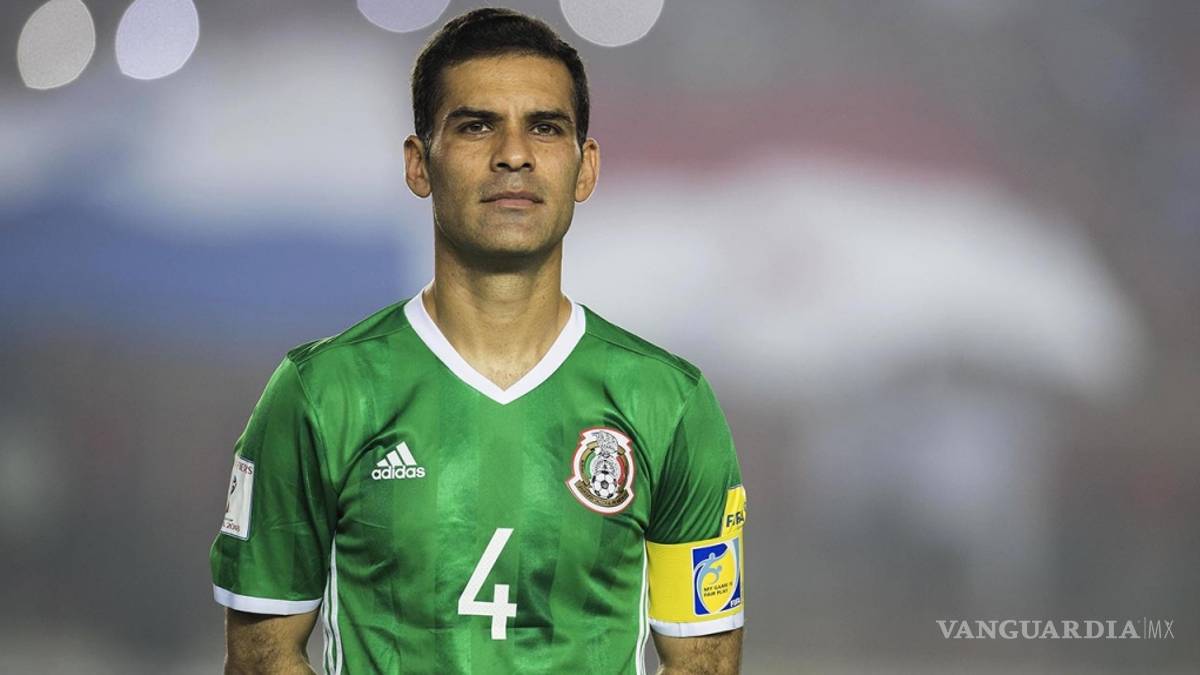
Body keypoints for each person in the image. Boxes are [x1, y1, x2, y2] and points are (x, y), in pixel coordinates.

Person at [209, 7, 746, 674]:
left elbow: (703, 662)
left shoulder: (669, 401)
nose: (513, 154)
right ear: (419, 164)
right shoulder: (322, 392)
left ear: (585, 168)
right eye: (476, 125)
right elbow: (260, 656)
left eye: (545, 127)